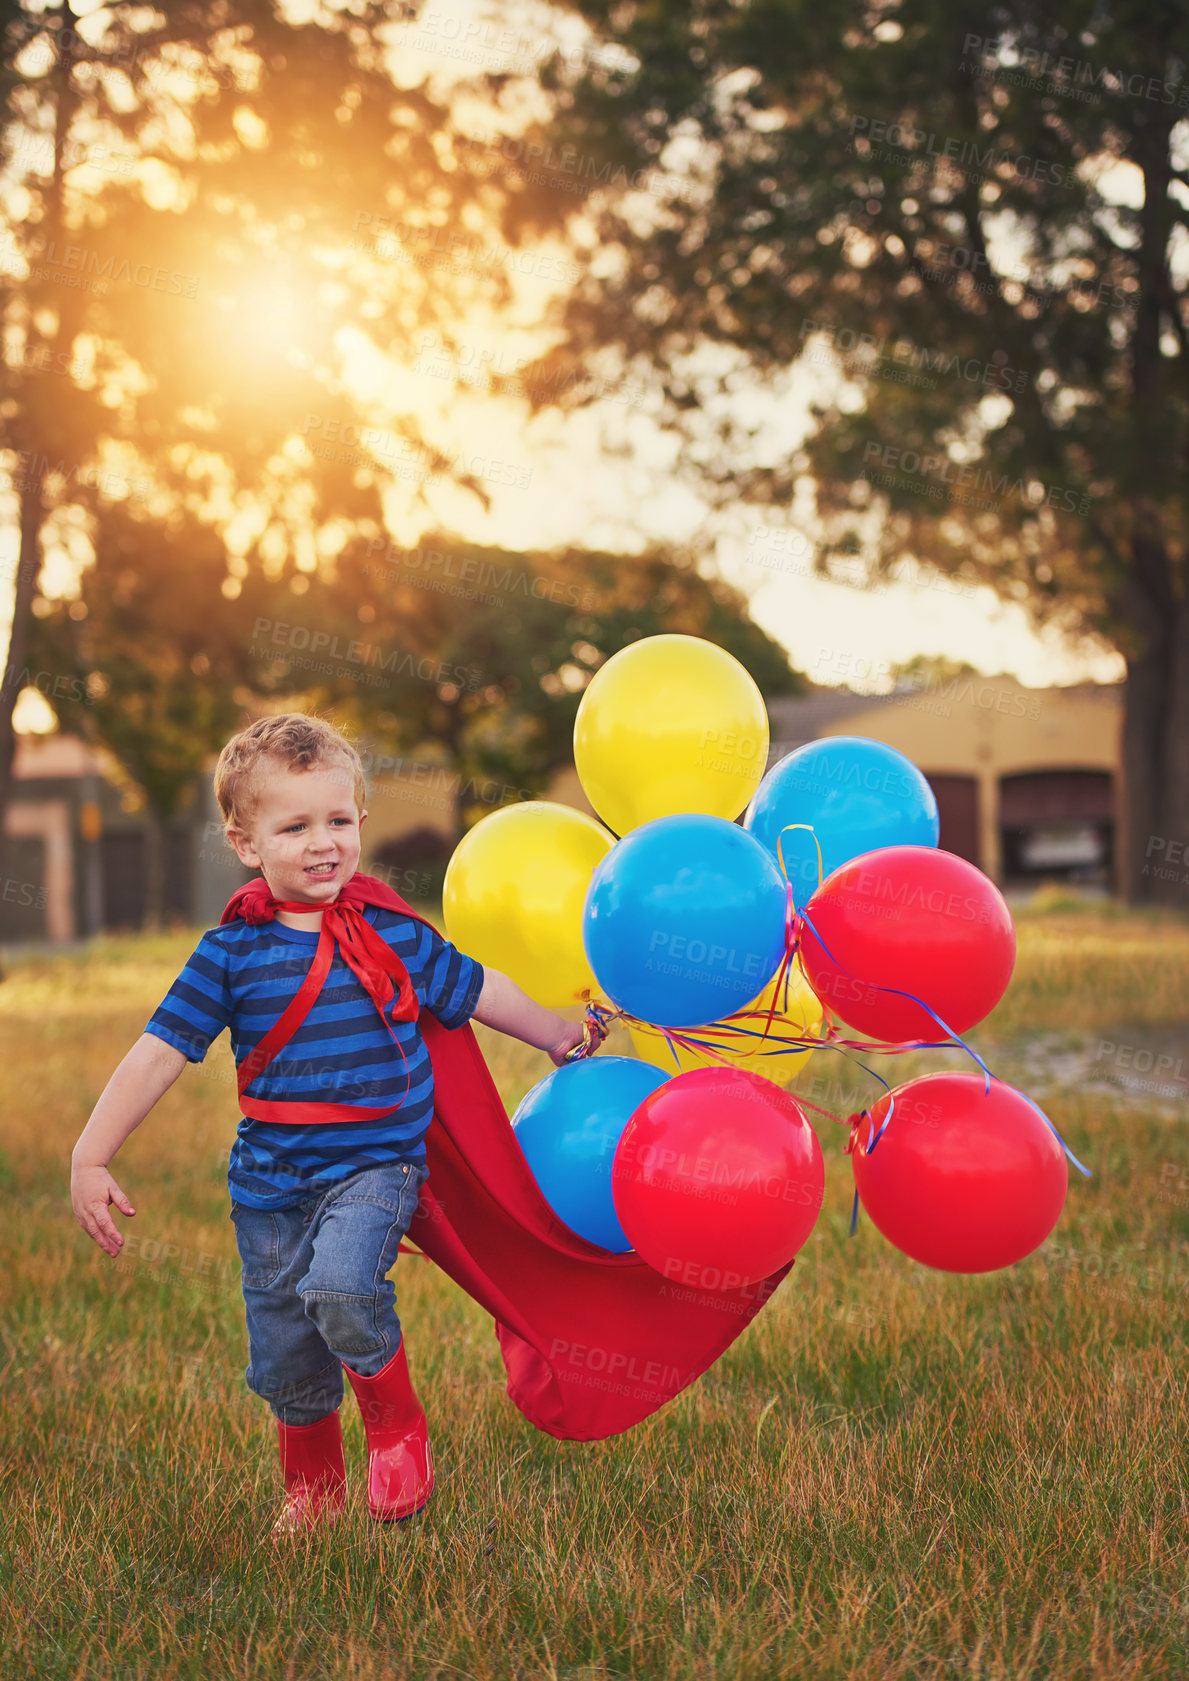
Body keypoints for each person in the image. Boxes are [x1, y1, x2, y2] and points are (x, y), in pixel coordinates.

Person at [69, 711, 605, 1539]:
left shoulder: (395, 936)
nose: (324, 842)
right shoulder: (229, 955)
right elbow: (157, 1052)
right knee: (286, 1353)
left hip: (375, 1167)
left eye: (340, 820)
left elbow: (480, 988)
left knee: (342, 1288)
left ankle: (396, 1426)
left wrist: (561, 1034)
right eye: (295, 826)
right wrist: (91, 1152)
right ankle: (311, 1488)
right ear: (246, 843)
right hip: (269, 1185)